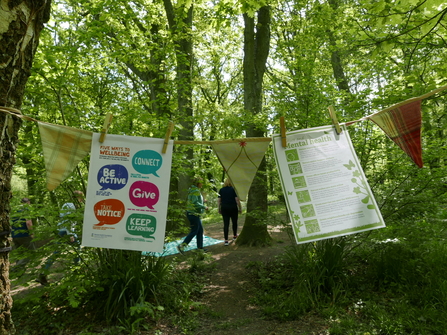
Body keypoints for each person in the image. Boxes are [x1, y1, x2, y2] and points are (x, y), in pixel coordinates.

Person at [37, 190, 84, 285]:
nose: (82, 200)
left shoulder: (67, 204)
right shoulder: (71, 206)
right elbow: (68, 221)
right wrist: (70, 234)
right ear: (78, 198)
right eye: (81, 198)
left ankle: (43, 273)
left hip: (61, 230)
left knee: (56, 252)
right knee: (78, 249)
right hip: (66, 231)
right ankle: (77, 270)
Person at [177, 177, 208, 254]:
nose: (202, 184)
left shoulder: (194, 190)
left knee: (200, 230)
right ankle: (181, 246)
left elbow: (194, 201)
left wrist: (202, 201)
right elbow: (194, 203)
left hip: (195, 214)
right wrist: (204, 206)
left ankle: (200, 248)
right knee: (194, 231)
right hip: (193, 213)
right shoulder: (195, 190)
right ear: (198, 183)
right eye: (201, 182)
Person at [11, 198, 35, 267]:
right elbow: (28, 223)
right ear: (28, 202)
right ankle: (16, 268)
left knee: (19, 253)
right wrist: (31, 233)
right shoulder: (26, 210)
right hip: (24, 235)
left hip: (15, 235)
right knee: (31, 252)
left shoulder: (15, 211)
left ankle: (18, 273)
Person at [218, 178, 242, 246]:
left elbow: (219, 200)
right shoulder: (234, 189)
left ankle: (226, 240)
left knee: (226, 224)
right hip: (233, 207)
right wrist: (240, 208)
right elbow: (237, 200)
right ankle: (234, 236)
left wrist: (218, 208)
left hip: (224, 208)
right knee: (234, 222)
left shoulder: (221, 190)